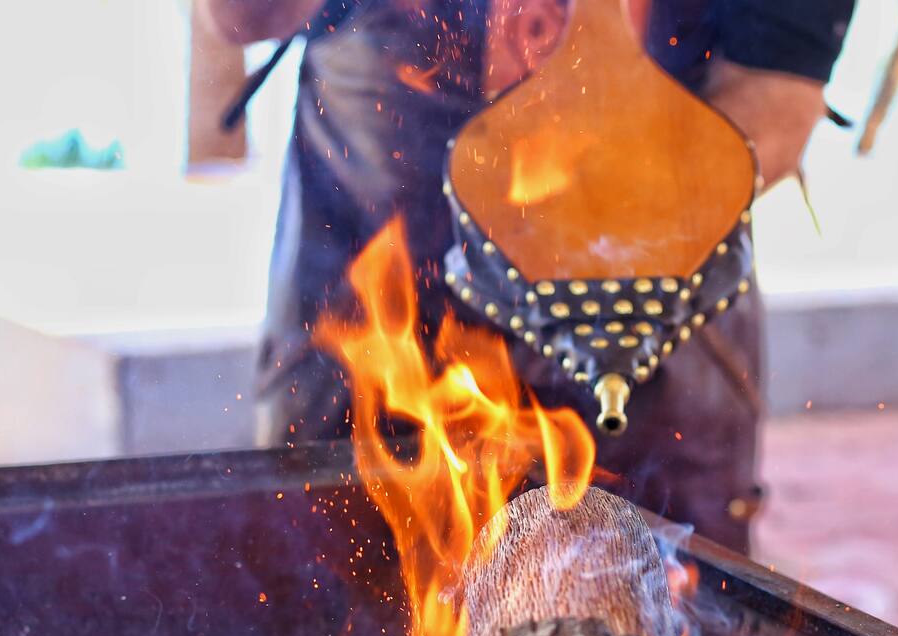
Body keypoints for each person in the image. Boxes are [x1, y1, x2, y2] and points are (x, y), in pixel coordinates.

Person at [202, 0, 854, 554]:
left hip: (652, 268)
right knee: (326, 582)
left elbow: (777, 96)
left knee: (669, 600)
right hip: (374, 236)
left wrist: (617, 224)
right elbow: (241, 15)